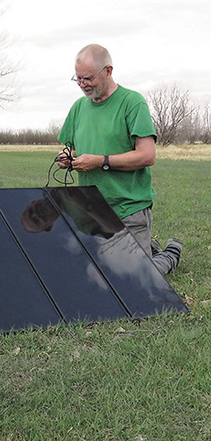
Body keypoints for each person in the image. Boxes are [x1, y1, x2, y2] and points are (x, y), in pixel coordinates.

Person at [56, 43, 182, 275]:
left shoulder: (132, 102)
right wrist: (66, 157)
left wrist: (100, 161)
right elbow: (73, 148)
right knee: (88, 272)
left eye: (88, 78)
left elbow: (147, 155)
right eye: (78, 79)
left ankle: (171, 252)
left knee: (131, 279)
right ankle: (147, 247)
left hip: (128, 209)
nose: (82, 85)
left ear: (108, 71)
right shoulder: (78, 108)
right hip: (91, 209)